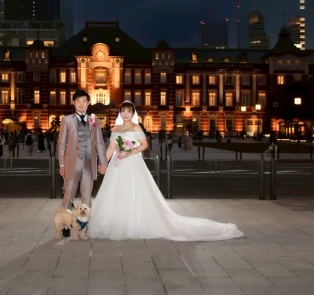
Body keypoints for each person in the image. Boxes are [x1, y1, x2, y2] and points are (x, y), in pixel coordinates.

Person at [90, 101, 244, 241]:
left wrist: (129, 152)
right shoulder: (115, 128)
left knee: (134, 191)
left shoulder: (136, 127)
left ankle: (134, 222)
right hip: (117, 164)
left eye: (128, 111)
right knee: (115, 192)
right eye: (123, 111)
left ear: (132, 113)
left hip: (132, 162)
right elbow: (111, 147)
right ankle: (116, 222)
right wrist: (103, 163)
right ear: (120, 113)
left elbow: (144, 145)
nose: (125, 114)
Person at [58, 89, 108, 209]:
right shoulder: (67, 120)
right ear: (74, 103)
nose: (81, 104)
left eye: (84, 101)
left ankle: (84, 223)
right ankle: (66, 222)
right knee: (69, 194)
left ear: (88, 103)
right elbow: (62, 143)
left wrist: (103, 162)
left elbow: (99, 143)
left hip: (88, 163)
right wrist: (62, 165)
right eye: (78, 101)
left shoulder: (94, 121)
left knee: (86, 195)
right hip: (71, 163)